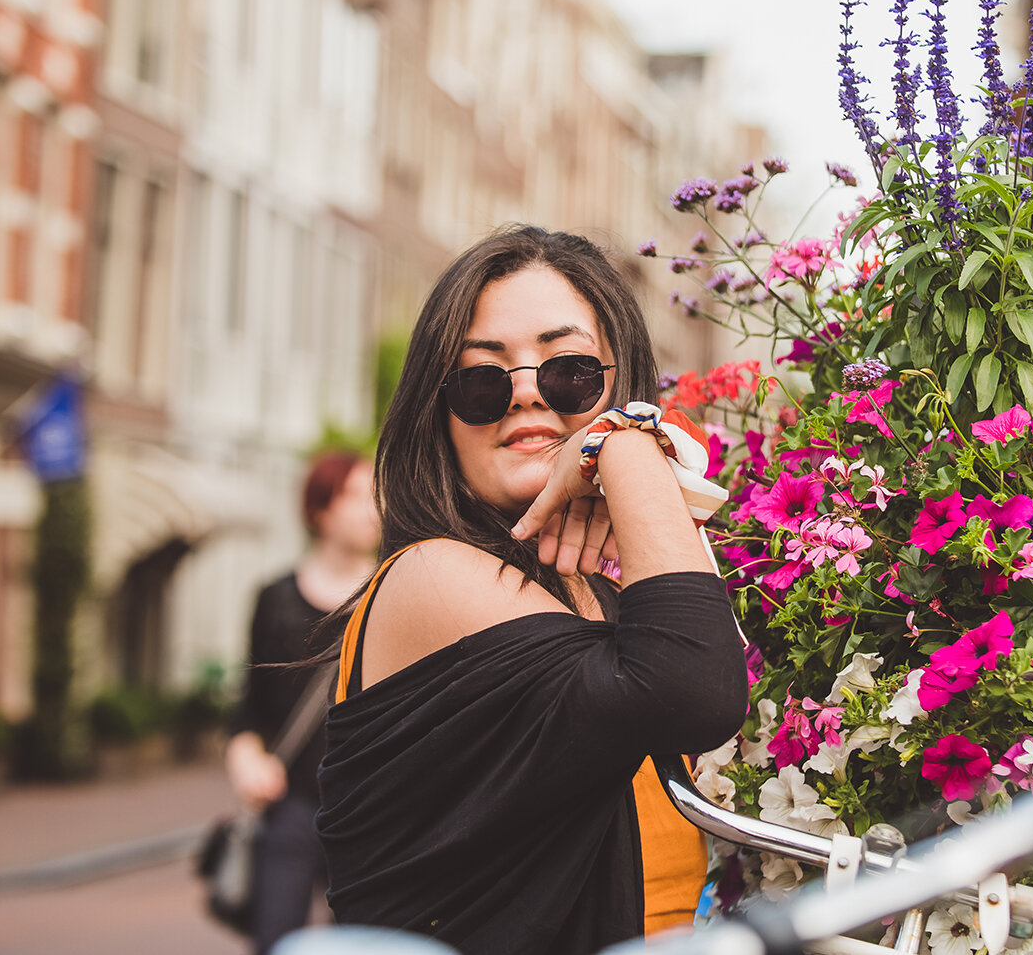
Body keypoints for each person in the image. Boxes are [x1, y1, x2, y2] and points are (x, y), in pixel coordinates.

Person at [315, 226, 748, 955]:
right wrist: (629, 440)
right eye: (482, 379)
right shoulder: (432, 575)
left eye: (570, 370)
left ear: (619, 377)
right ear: (439, 413)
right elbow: (694, 690)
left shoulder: (600, 603)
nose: (523, 395)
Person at [228, 452, 381, 954]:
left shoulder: (394, 593)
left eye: (374, 495)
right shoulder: (276, 599)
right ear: (320, 510)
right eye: (354, 496)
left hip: (368, 808)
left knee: (363, 943)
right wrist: (246, 758)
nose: (371, 509)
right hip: (291, 803)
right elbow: (248, 708)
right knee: (277, 939)